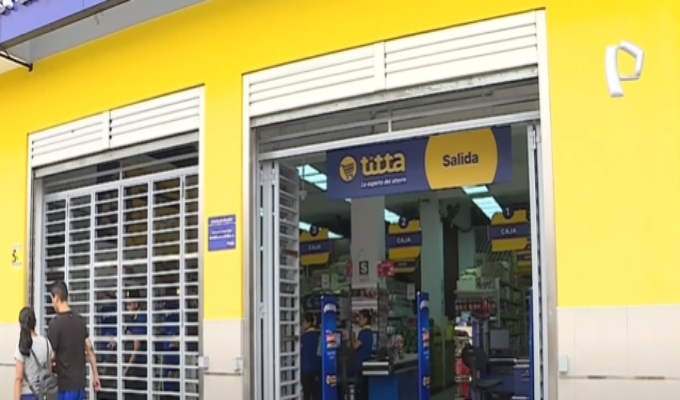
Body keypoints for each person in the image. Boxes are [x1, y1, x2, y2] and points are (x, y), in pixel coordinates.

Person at [48, 281, 101, 400]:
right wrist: (95, 376)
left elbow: (51, 356)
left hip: (65, 386)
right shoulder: (80, 321)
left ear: (56, 298)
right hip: (80, 385)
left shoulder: (55, 324)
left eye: (52, 300)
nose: (52, 304)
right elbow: (90, 350)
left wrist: (48, 380)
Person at [14, 307, 52, 400]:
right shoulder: (46, 342)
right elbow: (49, 370)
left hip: (27, 395)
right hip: (43, 395)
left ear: (21, 324)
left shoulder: (22, 346)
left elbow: (19, 378)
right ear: (35, 323)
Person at [123, 290, 147, 400]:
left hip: (139, 369)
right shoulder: (132, 319)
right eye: (126, 304)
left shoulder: (141, 318)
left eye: (129, 304)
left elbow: (136, 347)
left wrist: (126, 369)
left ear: (136, 304)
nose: (127, 307)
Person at [351, 309, 374, 400]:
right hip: (365, 364)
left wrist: (352, 336)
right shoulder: (370, 333)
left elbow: (355, 346)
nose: (358, 320)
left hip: (360, 365)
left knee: (360, 392)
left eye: (360, 318)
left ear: (366, 319)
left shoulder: (364, 333)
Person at [300, 312, 321, 400]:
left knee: (306, 395)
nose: (302, 325)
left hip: (305, 369)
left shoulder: (303, 338)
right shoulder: (317, 337)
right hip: (315, 369)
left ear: (308, 323)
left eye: (303, 322)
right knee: (315, 394)